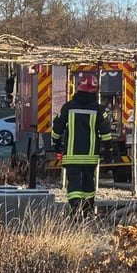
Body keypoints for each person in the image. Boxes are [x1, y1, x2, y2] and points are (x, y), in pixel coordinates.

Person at [50, 71, 113, 219]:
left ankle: (75, 211)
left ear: (79, 88)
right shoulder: (99, 110)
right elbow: (106, 132)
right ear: (95, 92)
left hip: (72, 156)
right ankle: (87, 211)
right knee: (88, 184)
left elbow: (57, 127)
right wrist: (108, 150)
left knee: (74, 184)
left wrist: (56, 143)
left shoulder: (68, 107)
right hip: (90, 156)